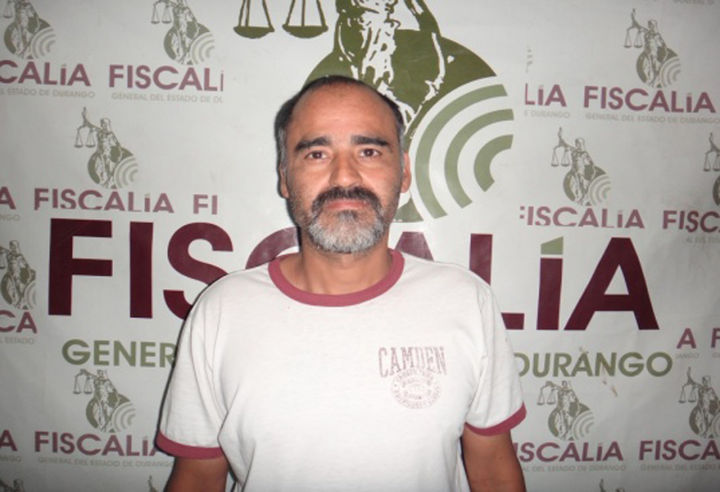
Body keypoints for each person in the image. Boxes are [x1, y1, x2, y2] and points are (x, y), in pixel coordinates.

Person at [156, 75, 526, 491]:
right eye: (317, 153)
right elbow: (197, 478)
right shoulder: (222, 311)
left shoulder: (466, 301)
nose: (344, 176)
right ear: (285, 177)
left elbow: (494, 471)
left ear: (404, 172)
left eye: (369, 151)